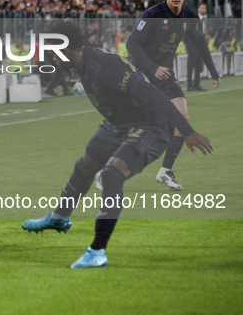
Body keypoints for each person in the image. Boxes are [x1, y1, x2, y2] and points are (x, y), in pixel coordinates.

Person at [22, 20, 215, 269]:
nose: (50, 57)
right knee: (84, 166)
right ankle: (59, 217)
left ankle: (98, 251)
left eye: (51, 51)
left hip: (151, 124)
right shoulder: (82, 63)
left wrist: (186, 131)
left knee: (113, 174)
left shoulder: (104, 66)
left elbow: (153, 94)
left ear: (66, 49)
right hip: (118, 122)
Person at [122, 0, 220, 190]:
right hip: (142, 75)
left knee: (182, 118)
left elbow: (201, 44)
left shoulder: (189, 17)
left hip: (166, 77)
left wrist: (213, 72)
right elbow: (132, 44)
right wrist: (152, 68)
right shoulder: (152, 15)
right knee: (133, 128)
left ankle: (165, 171)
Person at [186, 3, 208, 91]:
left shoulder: (205, 20)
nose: (203, 9)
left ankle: (196, 85)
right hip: (193, 45)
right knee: (191, 66)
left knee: (199, 66)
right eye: (201, 7)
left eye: (204, 8)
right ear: (198, 9)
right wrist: (187, 43)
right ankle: (189, 86)